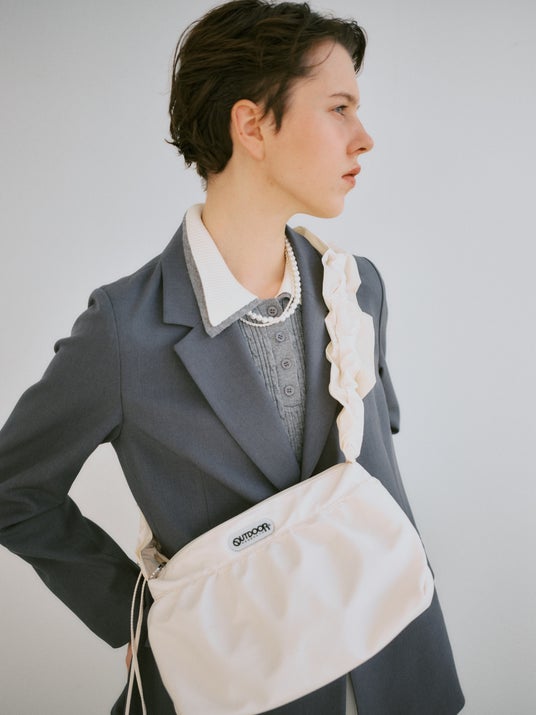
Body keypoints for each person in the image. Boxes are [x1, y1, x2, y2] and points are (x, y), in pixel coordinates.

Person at [0, 1, 465, 713]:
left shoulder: (357, 287)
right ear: (251, 125)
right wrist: (140, 617)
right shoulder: (125, 330)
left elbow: (377, 460)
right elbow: (13, 490)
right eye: (338, 107)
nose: (364, 137)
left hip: (401, 666)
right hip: (236, 691)